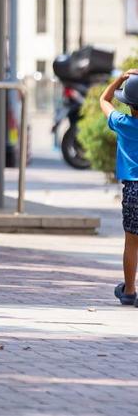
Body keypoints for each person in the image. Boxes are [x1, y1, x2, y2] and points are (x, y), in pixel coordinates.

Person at [100, 69, 138, 307]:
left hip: (133, 190)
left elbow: (103, 99)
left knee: (132, 241)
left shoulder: (122, 123)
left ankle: (130, 290)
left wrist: (120, 79)